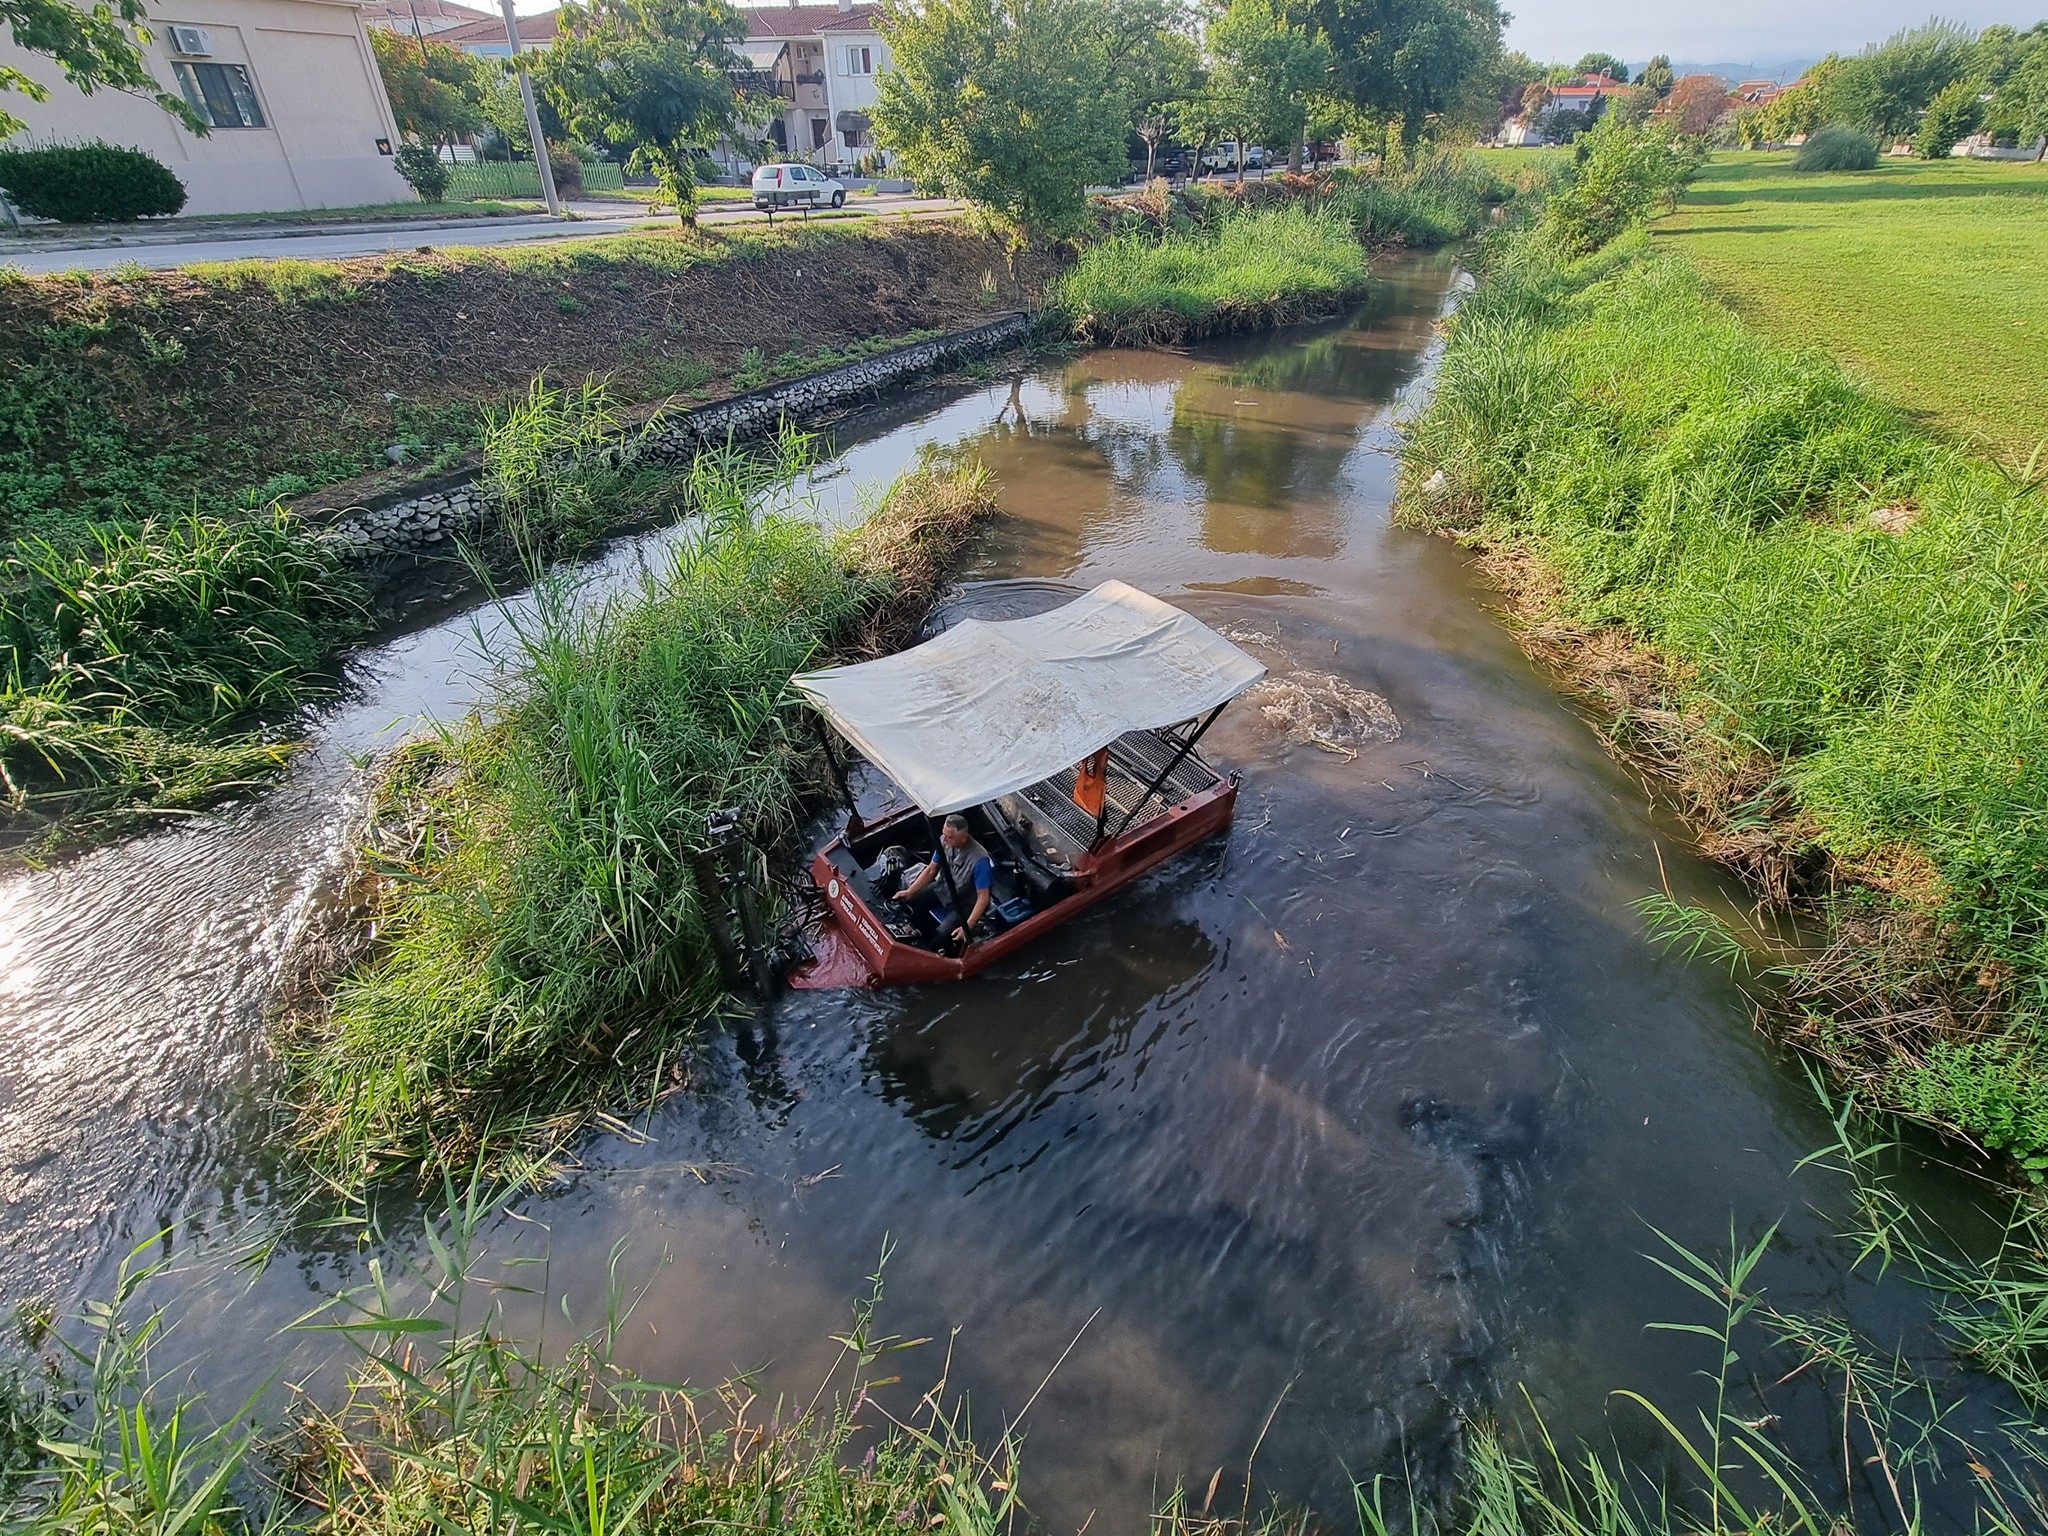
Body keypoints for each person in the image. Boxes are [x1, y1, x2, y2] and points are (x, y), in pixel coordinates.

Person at [894, 813, 993, 949]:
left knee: (942, 934)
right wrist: (910, 891)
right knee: (911, 902)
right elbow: (931, 869)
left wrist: (968, 926)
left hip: (965, 903)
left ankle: (931, 949)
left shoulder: (980, 861)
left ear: (963, 837)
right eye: (944, 834)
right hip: (944, 888)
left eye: (950, 837)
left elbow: (983, 897)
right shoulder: (944, 842)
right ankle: (914, 932)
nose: (945, 840)